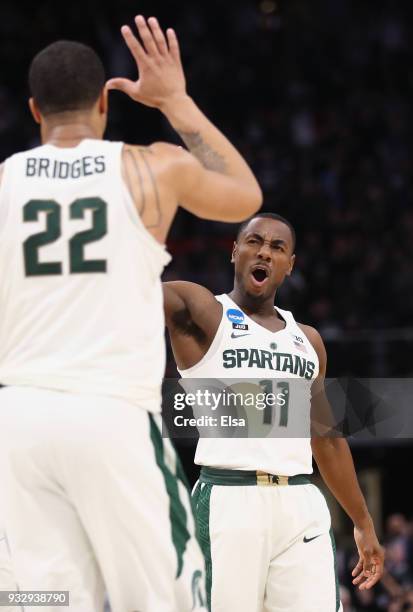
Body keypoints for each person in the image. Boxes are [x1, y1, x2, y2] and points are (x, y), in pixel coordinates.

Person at [0, 14, 262, 612]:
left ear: (35, 111)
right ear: (103, 105)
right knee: (167, 598)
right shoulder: (148, 168)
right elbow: (245, 194)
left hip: (18, 420)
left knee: (43, 601)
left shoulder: (3, 184)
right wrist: (176, 101)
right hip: (108, 413)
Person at [163, 212, 385, 612]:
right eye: (254, 241)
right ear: (234, 252)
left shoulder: (309, 340)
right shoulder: (205, 312)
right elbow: (134, 291)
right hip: (230, 497)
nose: (264, 251)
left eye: (277, 247)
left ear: (290, 265)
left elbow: (328, 440)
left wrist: (363, 522)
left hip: (300, 500)